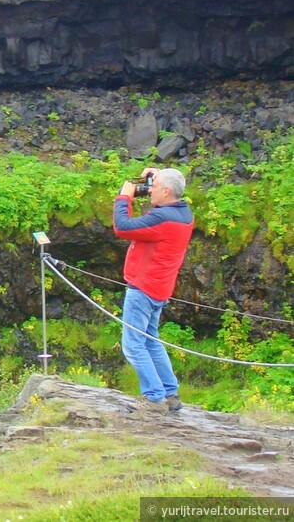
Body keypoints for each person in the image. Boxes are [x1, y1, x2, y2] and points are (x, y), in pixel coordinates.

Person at [113, 167, 194, 415]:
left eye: (154, 186)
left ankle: (154, 398)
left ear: (167, 191)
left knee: (134, 345)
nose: (149, 190)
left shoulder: (163, 219)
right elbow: (163, 201)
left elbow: (123, 227)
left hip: (144, 288)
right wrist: (158, 175)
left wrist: (124, 197)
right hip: (160, 287)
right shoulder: (183, 213)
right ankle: (170, 393)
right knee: (151, 340)